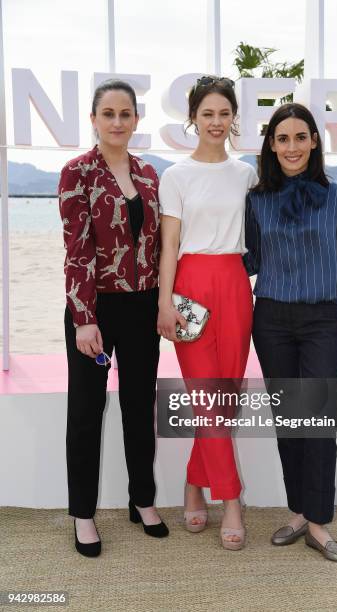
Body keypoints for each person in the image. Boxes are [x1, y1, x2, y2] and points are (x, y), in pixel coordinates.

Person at [245, 102, 337, 562]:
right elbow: (251, 260)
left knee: (316, 423)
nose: (291, 147)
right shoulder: (256, 199)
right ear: (271, 146)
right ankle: (298, 511)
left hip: (323, 320)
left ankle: (318, 524)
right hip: (271, 320)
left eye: (300, 137)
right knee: (289, 423)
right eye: (282, 139)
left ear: (314, 141)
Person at [59, 79, 168, 558]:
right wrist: (84, 318)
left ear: (136, 120)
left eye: (126, 114)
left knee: (139, 407)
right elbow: (77, 248)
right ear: (94, 119)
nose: (118, 122)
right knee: (87, 411)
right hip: (95, 311)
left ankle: (141, 499)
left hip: (143, 307)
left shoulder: (148, 173)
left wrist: (166, 302)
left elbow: (160, 246)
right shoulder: (76, 172)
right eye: (109, 113)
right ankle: (83, 514)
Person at [157, 75, 257, 550]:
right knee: (206, 398)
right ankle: (231, 500)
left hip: (235, 285)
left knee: (225, 397)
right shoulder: (175, 176)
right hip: (190, 287)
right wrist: (163, 301)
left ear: (233, 117)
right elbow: (170, 246)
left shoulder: (247, 173)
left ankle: (195, 482)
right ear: (192, 118)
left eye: (223, 113)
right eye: (207, 114)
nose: (216, 122)